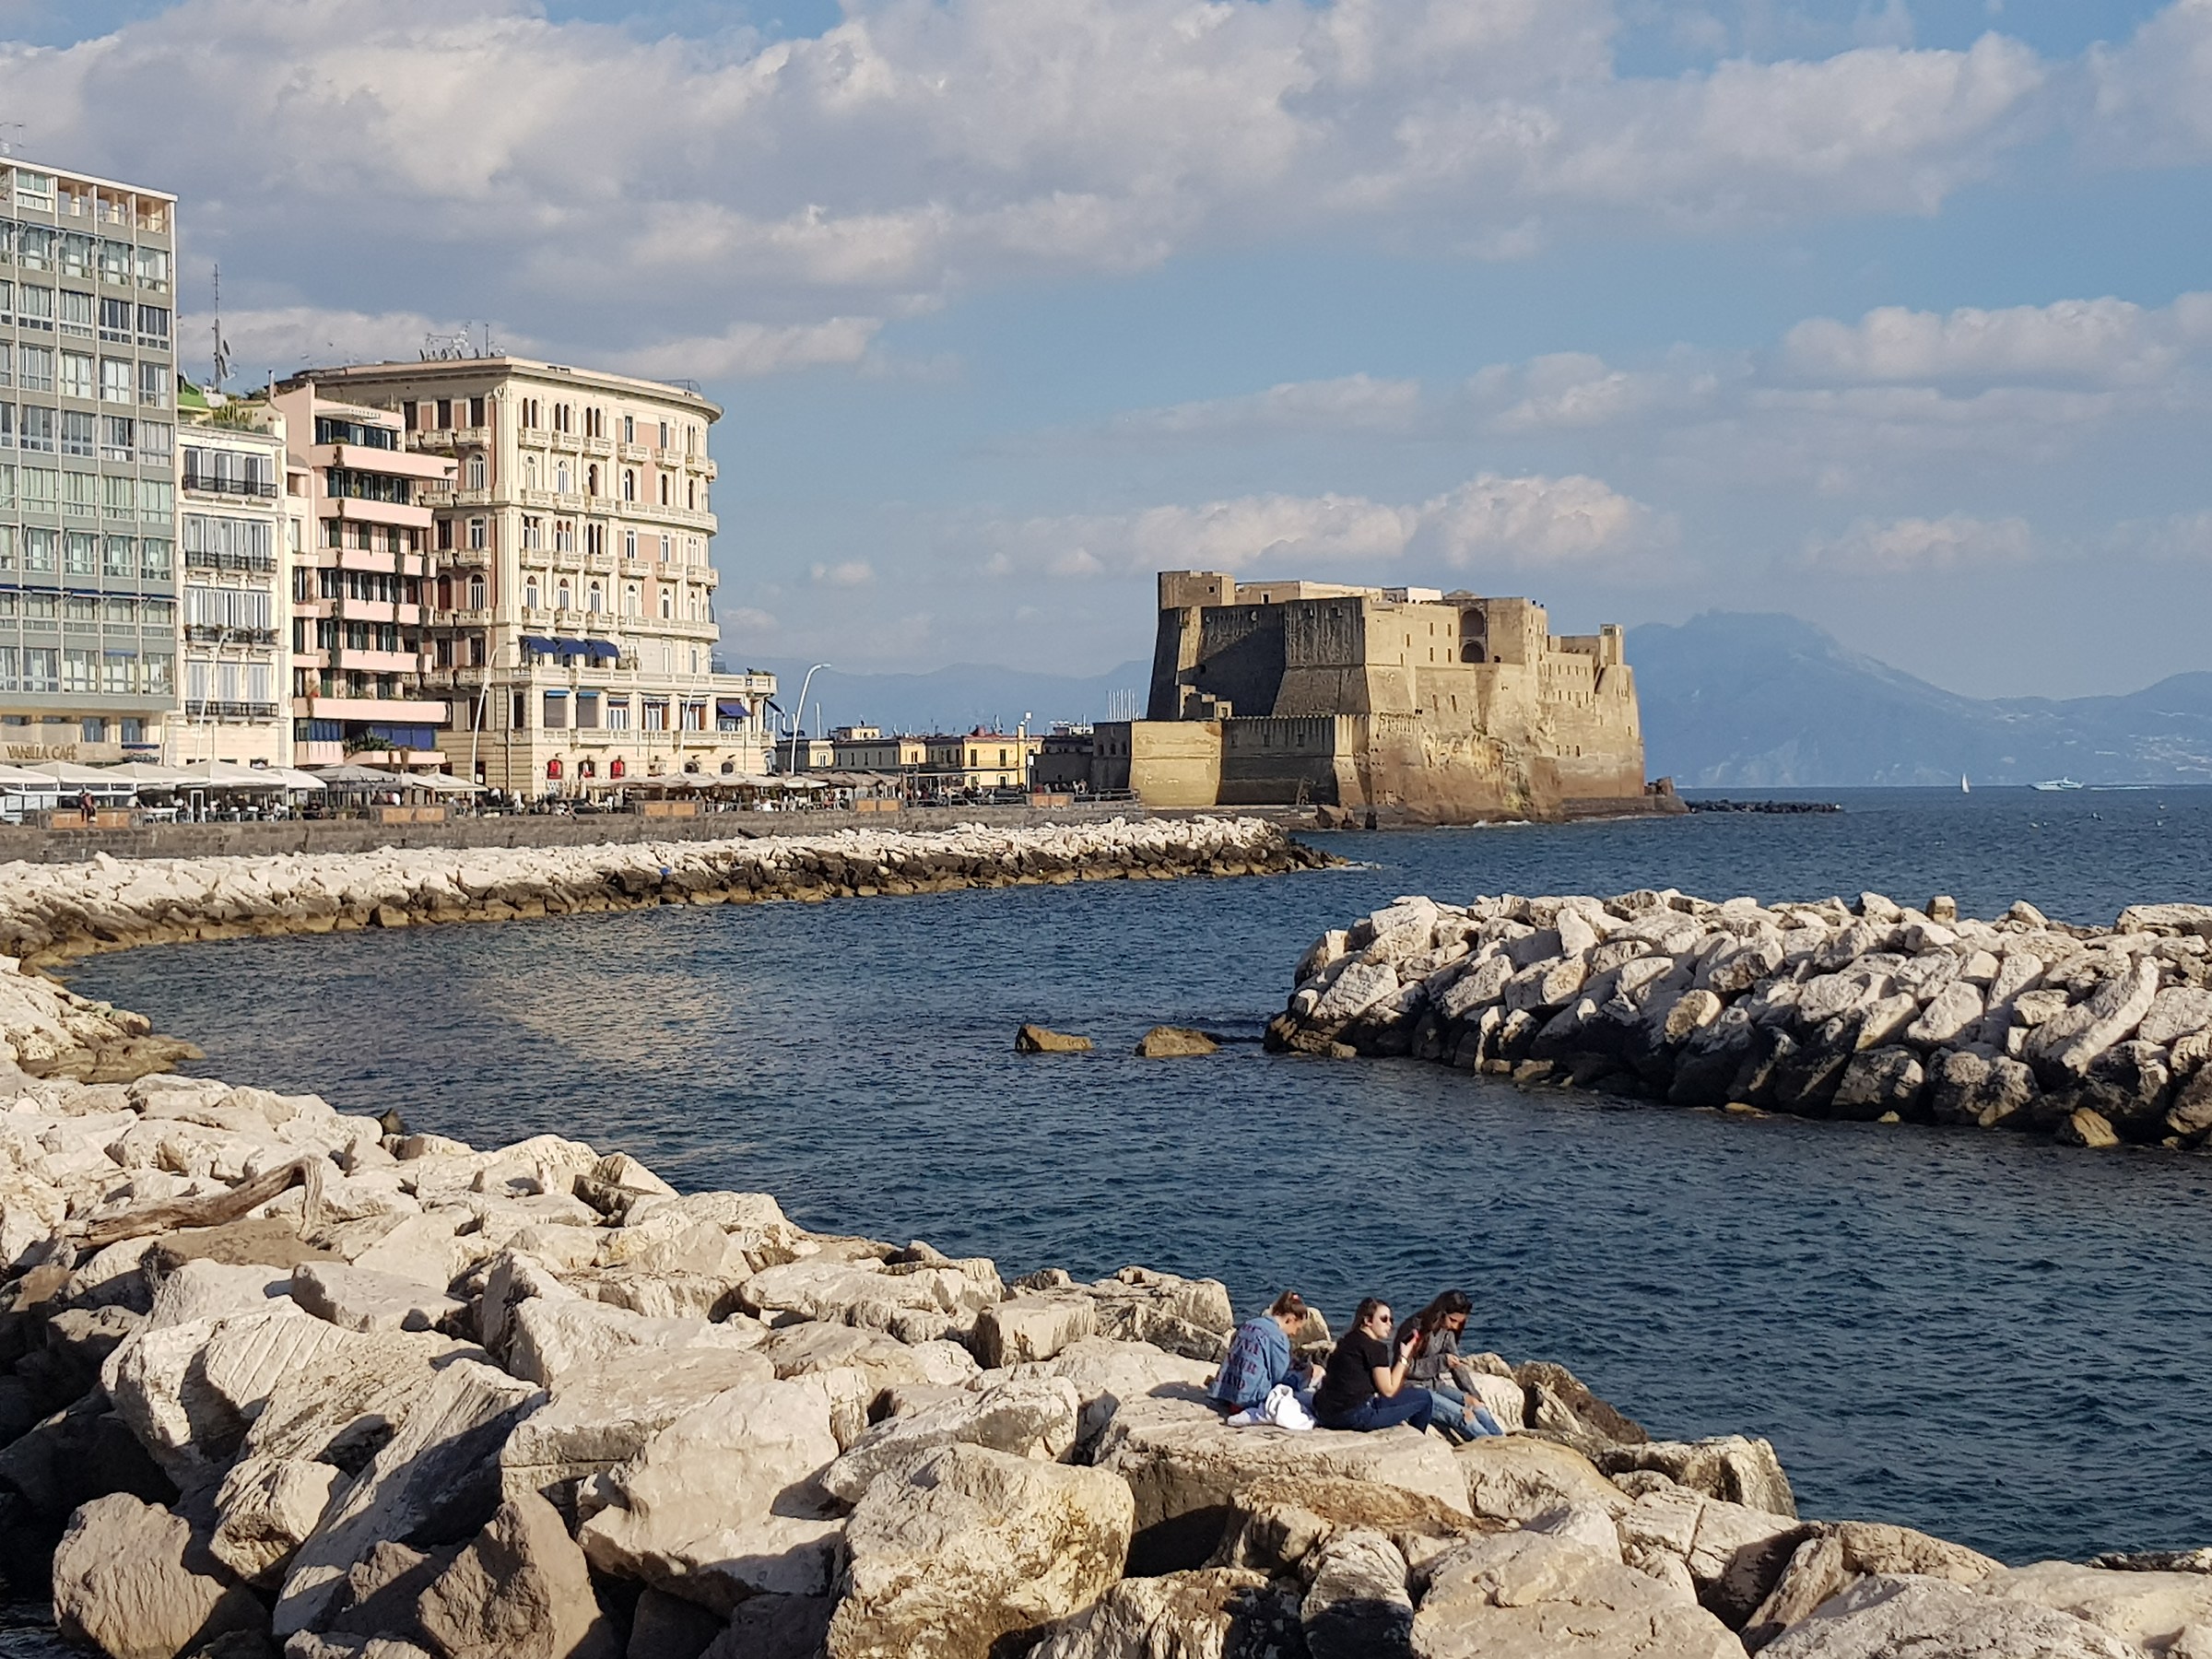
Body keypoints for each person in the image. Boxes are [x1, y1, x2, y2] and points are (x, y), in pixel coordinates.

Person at [1311, 1297, 1433, 1433]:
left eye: (1391, 1320)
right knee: (1424, 1398)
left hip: (1324, 1411)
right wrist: (1404, 1356)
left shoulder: (1347, 1339)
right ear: (1368, 1321)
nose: (1389, 1324)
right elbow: (1389, 1390)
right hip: (1352, 1415)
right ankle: (1416, 1437)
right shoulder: (1375, 1347)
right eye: (1384, 1319)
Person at [1398, 1291, 1506, 1443]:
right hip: (1412, 1390)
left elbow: (1457, 1366)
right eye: (1453, 1320)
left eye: (1459, 1323)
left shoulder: (1447, 1331)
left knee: (1477, 1407)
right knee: (1464, 1416)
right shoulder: (1415, 1328)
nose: (1455, 1326)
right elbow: (1404, 1367)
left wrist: (1473, 1395)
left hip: (1434, 1385)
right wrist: (1441, 1361)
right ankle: (1492, 1445)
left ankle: (1502, 1440)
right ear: (1441, 1313)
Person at [1210, 1290, 1317, 1413]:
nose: (1294, 1333)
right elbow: (1279, 1377)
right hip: (1251, 1399)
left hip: (1228, 1391)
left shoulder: (1249, 1324)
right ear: (1290, 1319)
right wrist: (1307, 1374)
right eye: (1297, 1328)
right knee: (1306, 1382)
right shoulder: (1278, 1337)